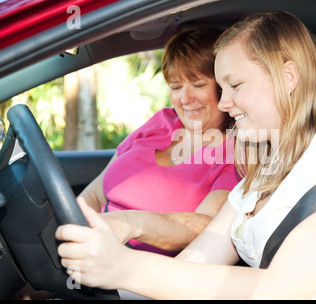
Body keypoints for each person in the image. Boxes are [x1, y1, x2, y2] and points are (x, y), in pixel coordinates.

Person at [56, 11, 316, 299]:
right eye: (221, 88)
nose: (224, 103)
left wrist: (125, 267)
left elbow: (282, 289)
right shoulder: (261, 172)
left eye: (235, 86)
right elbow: (196, 264)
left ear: (287, 77)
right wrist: (110, 270)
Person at [77, 27, 240, 256]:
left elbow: (206, 226)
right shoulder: (162, 121)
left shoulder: (235, 152)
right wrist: (74, 224)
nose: (185, 99)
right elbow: (94, 194)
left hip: (136, 271)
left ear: (223, 87)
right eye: (176, 87)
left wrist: (129, 224)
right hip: (92, 243)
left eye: (199, 84)